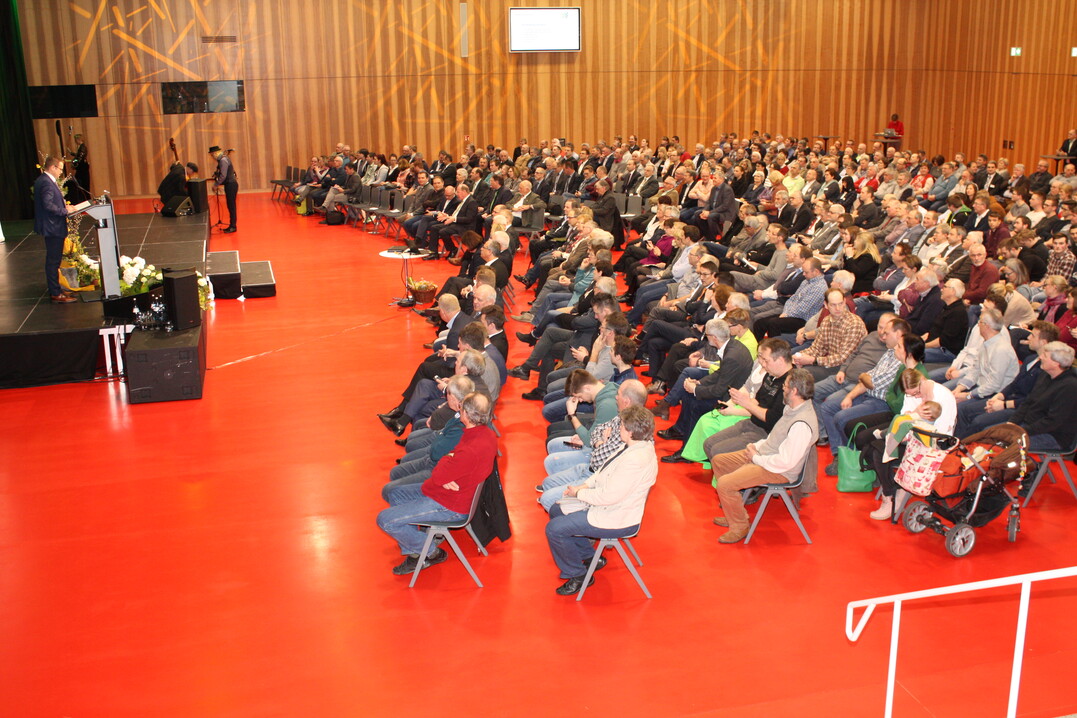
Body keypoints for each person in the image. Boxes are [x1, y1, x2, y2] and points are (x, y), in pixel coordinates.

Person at [376, 392, 497, 576]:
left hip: (449, 505)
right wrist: (447, 467)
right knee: (395, 493)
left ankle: (431, 552)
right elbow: (446, 467)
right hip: (446, 491)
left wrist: (447, 464)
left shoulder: (472, 448)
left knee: (385, 520)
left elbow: (439, 472)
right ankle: (417, 552)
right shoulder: (485, 434)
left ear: (466, 413)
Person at [544, 405, 658, 595]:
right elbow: (602, 471)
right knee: (556, 510)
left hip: (616, 516)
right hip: (609, 504)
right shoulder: (631, 445)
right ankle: (590, 557)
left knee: (554, 529)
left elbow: (608, 497)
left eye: (621, 425)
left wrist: (578, 494)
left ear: (630, 431)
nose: (618, 428)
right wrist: (583, 486)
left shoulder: (636, 459)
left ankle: (578, 575)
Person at [709, 368, 819, 544]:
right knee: (720, 462)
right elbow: (774, 438)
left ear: (794, 391)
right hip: (766, 456)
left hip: (779, 470)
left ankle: (739, 526)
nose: (782, 388)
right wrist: (756, 446)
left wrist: (756, 458)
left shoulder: (801, 424)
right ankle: (735, 513)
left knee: (725, 484)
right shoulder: (792, 408)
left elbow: (786, 462)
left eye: (785, 386)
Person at [33, 157, 76, 303]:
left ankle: (56, 288)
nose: (61, 173)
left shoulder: (43, 180)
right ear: (52, 167)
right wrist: (65, 210)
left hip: (52, 226)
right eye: (60, 169)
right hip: (53, 227)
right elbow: (48, 205)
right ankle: (56, 293)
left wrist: (64, 206)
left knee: (54, 260)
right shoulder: (46, 182)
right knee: (53, 261)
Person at [209, 145, 238, 232]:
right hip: (229, 184)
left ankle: (233, 226)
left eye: (212, 155)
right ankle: (232, 225)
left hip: (231, 185)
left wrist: (216, 185)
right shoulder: (223, 159)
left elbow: (223, 176)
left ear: (215, 153)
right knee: (230, 206)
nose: (212, 157)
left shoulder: (223, 160)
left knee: (231, 206)